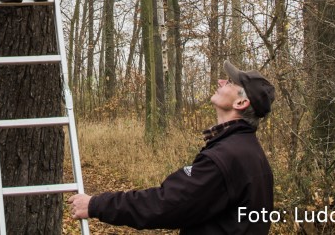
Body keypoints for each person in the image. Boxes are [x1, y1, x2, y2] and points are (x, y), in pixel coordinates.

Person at [68, 61, 276, 234]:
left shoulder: (225, 157)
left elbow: (164, 204)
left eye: (230, 82)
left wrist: (96, 205)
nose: (221, 81)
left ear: (241, 103)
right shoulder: (250, 151)